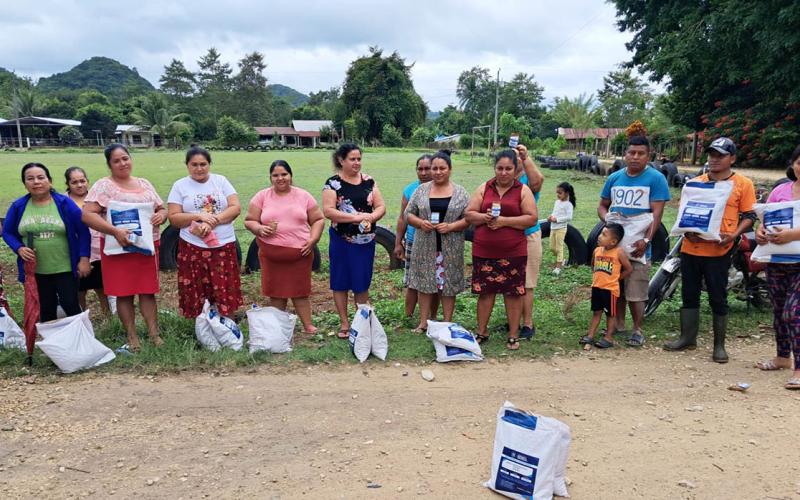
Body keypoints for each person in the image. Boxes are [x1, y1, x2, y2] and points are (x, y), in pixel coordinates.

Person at [664, 137, 756, 363]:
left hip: (719, 251)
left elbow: (749, 216)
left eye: (720, 155)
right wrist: (687, 231)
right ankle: (687, 338)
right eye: (711, 155)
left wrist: (734, 235)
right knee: (689, 294)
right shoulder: (695, 183)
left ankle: (719, 345)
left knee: (718, 296)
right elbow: (685, 213)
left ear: (732, 158)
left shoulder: (743, 184)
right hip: (691, 248)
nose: (714, 159)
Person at [82, 144, 167, 352]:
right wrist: (114, 231)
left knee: (148, 291)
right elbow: (88, 214)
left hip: (146, 246)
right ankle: (132, 337)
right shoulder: (104, 186)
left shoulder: (144, 183)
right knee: (124, 293)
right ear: (109, 164)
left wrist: (161, 215)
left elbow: (161, 208)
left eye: (125, 158)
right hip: (118, 247)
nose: (122, 163)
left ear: (131, 159)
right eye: (116, 160)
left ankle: (154, 335)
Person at [598, 135, 671, 347]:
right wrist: (608, 221)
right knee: (615, 286)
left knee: (636, 291)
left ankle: (638, 330)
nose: (635, 157)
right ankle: (618, 324)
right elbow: (602, 205)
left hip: (638, 247)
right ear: (625, 154)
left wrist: (646, 240)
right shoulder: (615, 178)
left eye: (641, 153)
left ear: (649, 156)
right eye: (631, 152)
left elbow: (657, 214)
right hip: (614, 247)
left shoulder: (656, 179)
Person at [465, 150, 537, 350]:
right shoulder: (484, 187)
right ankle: (482, 332)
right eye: (500, 168)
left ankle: (513, 334)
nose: (504, 173)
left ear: (515, 170)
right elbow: (469, 214)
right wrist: (484, 217)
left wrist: (504, 221)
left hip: (513, 251)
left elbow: (531, 218)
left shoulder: (523, 190)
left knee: (513, 294)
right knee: (485, 293)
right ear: (494, 168)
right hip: (484, 251)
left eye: (508, 169)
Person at [3, 163, 90, 322]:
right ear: (25, 183)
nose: (36, 182)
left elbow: (83, 231)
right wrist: (19, 248)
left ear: (49, 180)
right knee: (45, 308)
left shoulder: (64, 203)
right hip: (35, 271)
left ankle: (80, 336)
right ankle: (51, 337)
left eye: (40, 177)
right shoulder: (19, 206)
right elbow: (7, 232)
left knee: (70, 305)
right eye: (30, 178)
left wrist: (84, 258)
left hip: (65, 268)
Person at [245, 160, 324, 333]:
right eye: (275, 175)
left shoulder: (303, 196)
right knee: (276, 293)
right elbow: (249, 220)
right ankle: (278, 327)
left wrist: (313, 239)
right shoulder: (262, 196)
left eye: (284, 174)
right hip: (271, 256)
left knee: (300, 292)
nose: (280, 178)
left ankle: (308, 325)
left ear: (291, 175)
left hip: (300, 254)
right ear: (270, 178)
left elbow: (318, 219)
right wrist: (259, 229)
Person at [167, 146, 243, 320]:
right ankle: (202, 325)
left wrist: (212, 221)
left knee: (224, 286)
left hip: (223, 245)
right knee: (196, 287)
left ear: (209, 164)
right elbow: (173, 217)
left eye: (203, 164)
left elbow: (235, 207)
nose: (199, 168)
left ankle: (228, 325)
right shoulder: (180, 185)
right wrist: (198, 216)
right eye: (194, 164)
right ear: (187, 165)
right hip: (193, 247)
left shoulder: (221, 181)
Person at [322, 144, 386, 338]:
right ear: (341, 160)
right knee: (340, 281)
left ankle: (362, 322)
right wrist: (356, 218)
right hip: (341, 240)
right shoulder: (333, 184)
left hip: (365, 242)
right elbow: (328, 211)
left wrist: (371, 217)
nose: (357, 163)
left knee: (361, 281)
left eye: (359, 159)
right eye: (352, 159)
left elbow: (381, 206)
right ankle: (344, 323)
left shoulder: (369, 181)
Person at [404, 151, 470, 331]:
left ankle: (447, 322)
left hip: (451, 248)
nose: (438, 172)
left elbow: (468, 218)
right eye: (435, 168)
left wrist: (452, 226)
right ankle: (423, 322)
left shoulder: (460, 192)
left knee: (448, 285)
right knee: (424, 284)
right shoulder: (421, 190)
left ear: (450, 170)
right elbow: (408, 214)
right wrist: (420, 223)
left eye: (442, 168)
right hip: (424, 246)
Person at [755, 144, 800, 388]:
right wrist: (760, 233)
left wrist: (793, 235)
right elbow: (765, 220)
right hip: (777, 261)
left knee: (794, 312)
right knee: (780, 310)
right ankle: (783, 357)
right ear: (793, 164)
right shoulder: (780, 191)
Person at [65, 166, 111, 316]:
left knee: (101, 287)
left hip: (98, 250)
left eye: (82, 181)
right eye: (74, 182)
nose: (79, 185)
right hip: (75, 251)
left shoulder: (96, 198)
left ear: (87, 181)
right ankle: (81, 319)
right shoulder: (63, 202)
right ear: (68, 184)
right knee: (79, 289)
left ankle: (109, 318)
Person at [393, 154, 434, 317]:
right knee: (412, 281)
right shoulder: (409, 190)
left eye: (427, 169)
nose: (423, 173)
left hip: (435, 242)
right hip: (413, 241)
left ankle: (432, 317)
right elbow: (402, 218)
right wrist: (398, 243)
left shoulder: (443, 190)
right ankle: (408, 317)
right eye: (420, 169)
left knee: (434, 281)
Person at [580, 223, 632, 349]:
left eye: (604, 235)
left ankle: (608, 337)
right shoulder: (597, 251)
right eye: (601, 233)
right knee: (596, 312)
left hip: (610, 290)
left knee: (610, 314)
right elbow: (593, 265)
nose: (599, 236)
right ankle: (590, 335)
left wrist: (616, 278)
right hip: (597, 287)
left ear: (613, 241)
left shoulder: (618, 252)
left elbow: (628, 269)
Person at [515, 144, 544, 340]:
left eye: (519, 157)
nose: (516, 159)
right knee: (511, 282)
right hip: (509, 237)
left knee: (527, 282)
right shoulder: (503, 181)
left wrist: (526, 157)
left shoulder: (527, 180)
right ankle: (513, 321)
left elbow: (538, 181)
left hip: (529, 235)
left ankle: (527, 324)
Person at [548, 182, 575, 276]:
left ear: (567, 193)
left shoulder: (569, 205)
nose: (558, 195)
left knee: (559, 247)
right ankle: (562, 259)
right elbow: (554, 212)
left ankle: (558, 267)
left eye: (560, 193)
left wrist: (557, 220)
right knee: (552, 248)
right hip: (553, 227)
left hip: (561, 228)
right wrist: (551, 217)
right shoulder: (557, 202)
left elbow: (569, 217)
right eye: (557, 192)